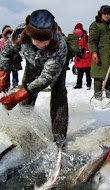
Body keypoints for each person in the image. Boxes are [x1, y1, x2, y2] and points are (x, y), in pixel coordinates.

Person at [0, 9, 68, 143]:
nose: (43, 44)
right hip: (32, 64)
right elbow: (6, 52)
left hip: (55, 67)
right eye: (38, 40)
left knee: (59, 96)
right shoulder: (19, 34)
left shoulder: (59, 46)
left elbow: (47, 77)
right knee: (26, 98)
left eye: (46, 40)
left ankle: (59, 137)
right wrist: (3, 74)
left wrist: (19, 95)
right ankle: (24, 130)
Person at [0, 25, 22, 90]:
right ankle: (7, 86)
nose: (8, 35)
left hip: (14, 60)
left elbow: (18, 48)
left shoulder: (15, 40)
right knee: (6, 74)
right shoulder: (1, 42)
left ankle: (15, 85)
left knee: (15, 73)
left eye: (10, 33)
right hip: (6, 61)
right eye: (7, 33)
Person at [72, 23, 92, 90]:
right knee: (79, 73)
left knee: (88, 72)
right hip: (79, 58)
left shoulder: (86, 37)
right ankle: (78, 85)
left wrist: (85, 49)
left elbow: (90, 46)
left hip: (86, 57)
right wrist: (76, 50)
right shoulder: (73, 38)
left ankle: (89, 84)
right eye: (76, 30)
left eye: (79, 30)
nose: (78, 32)